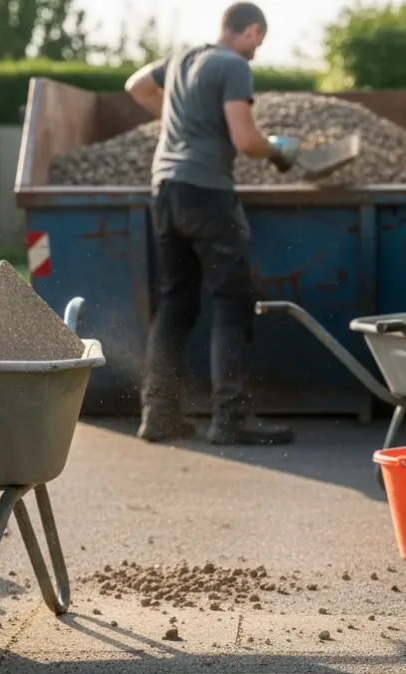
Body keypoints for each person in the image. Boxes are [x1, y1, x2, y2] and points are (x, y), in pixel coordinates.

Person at [125, 2, 302, 446]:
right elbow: (245, 139)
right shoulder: (233, 66)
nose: (257, 49)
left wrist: (181, 120)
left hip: (164, 189)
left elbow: (136, 86)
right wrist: (278, 150)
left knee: (176, 303)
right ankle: (231, 417)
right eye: (259, 41)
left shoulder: (185, 58)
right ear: (251, 31)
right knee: (232, 299)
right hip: (206, 192)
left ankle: (158, 413)